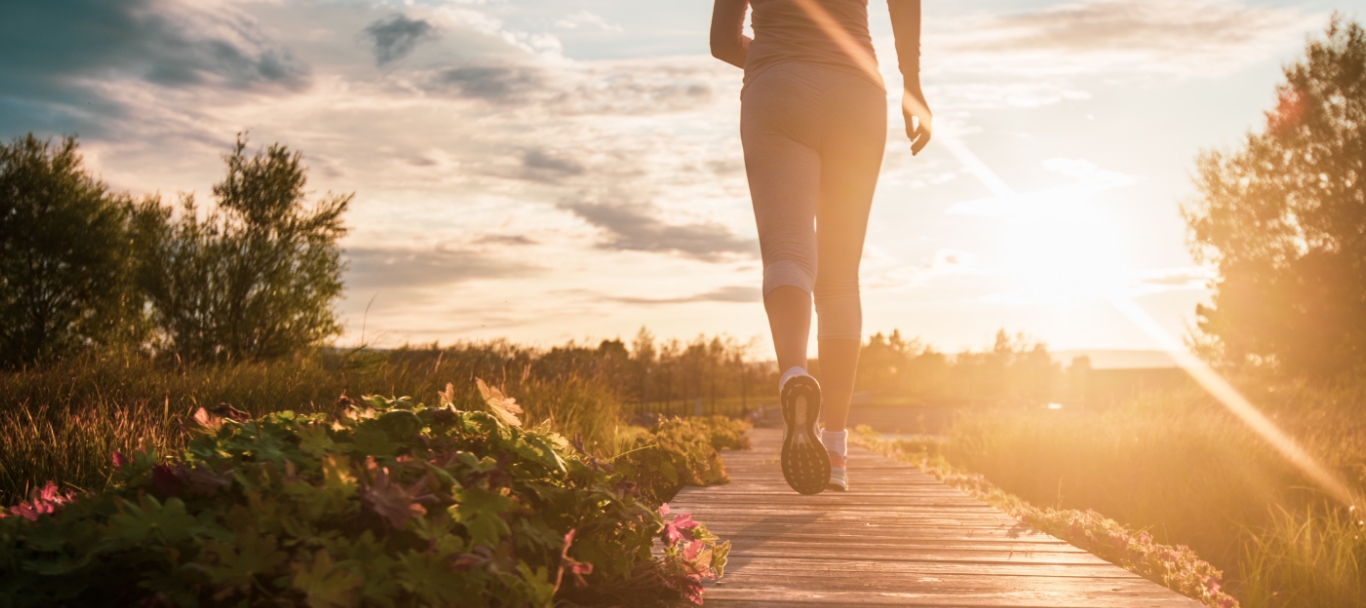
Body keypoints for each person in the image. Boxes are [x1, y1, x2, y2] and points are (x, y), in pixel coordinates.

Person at [710, 0, 932, 494]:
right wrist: (911, 82)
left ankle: (793, 374)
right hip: (857, 91)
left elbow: (722, 39)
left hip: (777, 87)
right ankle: (834, 450)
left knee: (787, 255)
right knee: (839, 279)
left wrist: (776, 59)